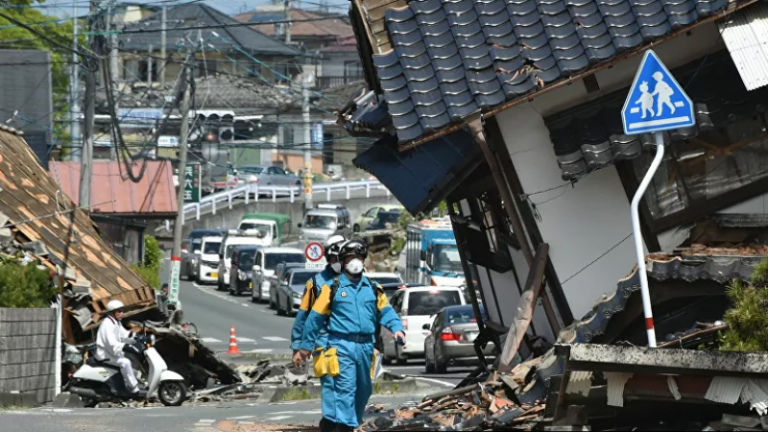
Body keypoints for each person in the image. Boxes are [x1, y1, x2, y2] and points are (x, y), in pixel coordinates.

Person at [300, 239, 405, 432]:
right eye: (350, 258)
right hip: (341, 345)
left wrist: (397, 328)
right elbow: (314, 318)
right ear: (342, 261)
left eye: (358, 257)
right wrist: (305, 346)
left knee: (364, 389)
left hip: (366, 347)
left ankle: (350, 423)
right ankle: (345, 427)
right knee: (345, 388)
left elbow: (386, 311)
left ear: (363, 260)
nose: (355, 261)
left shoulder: (373, 288)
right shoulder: (331, 288)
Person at [291, 235, 347, 369]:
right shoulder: (315, 283)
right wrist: (297, 347)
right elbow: (303, 316)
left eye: (343, 258)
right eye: (335, 258)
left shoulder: (356, 282)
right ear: (329, 258)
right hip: (325, 344)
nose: (339, 262)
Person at [95, 300, 146, 397]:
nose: (121, 313)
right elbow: (111, 344)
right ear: (112, 312)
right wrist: (125, 346)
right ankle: (134, 389)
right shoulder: (107, 324)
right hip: (105, 354)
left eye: (122, 311)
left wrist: (138, 337)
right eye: (119, 311)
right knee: (125, 362)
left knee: (129, 361)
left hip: (111, 353)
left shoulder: (116, 322)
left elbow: (124, 335)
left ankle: (128, 384)